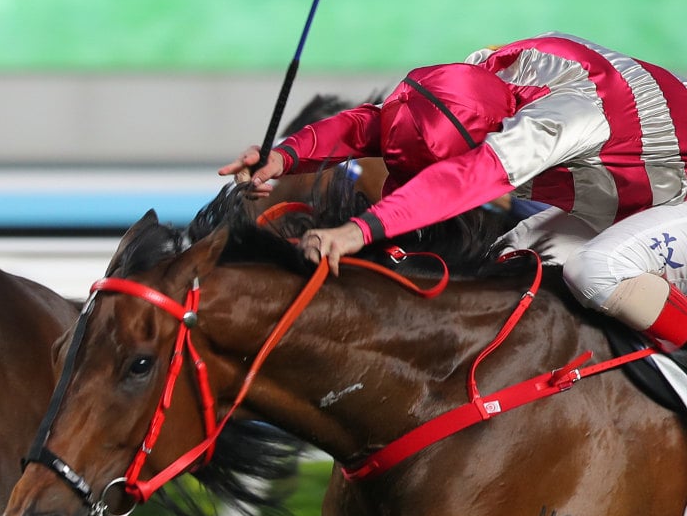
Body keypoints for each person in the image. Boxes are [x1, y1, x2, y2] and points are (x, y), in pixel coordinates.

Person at [221, 33, 687, 350]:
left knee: (597, 270)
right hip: (636, 202)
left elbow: (465, 179)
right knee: (511, 266)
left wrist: (358, 231)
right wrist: (283, 157)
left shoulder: (559, 118)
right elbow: (375, 121)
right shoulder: (474, 81)